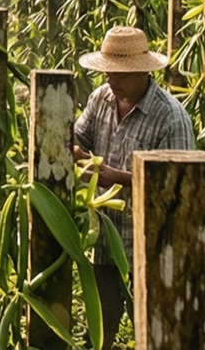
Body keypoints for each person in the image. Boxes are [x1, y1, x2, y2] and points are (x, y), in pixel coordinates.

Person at [72, 25, 196, 350]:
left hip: (152, 242)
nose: (111, 79)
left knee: (155, 329)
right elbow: (78, 137)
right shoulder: (101, 98)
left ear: (143, 71)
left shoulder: (170, 117)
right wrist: (72, 151)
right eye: (108, 71)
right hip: (106, 237)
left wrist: (117, 177)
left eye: (120, 74)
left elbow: (181, 185)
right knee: (102, 325)